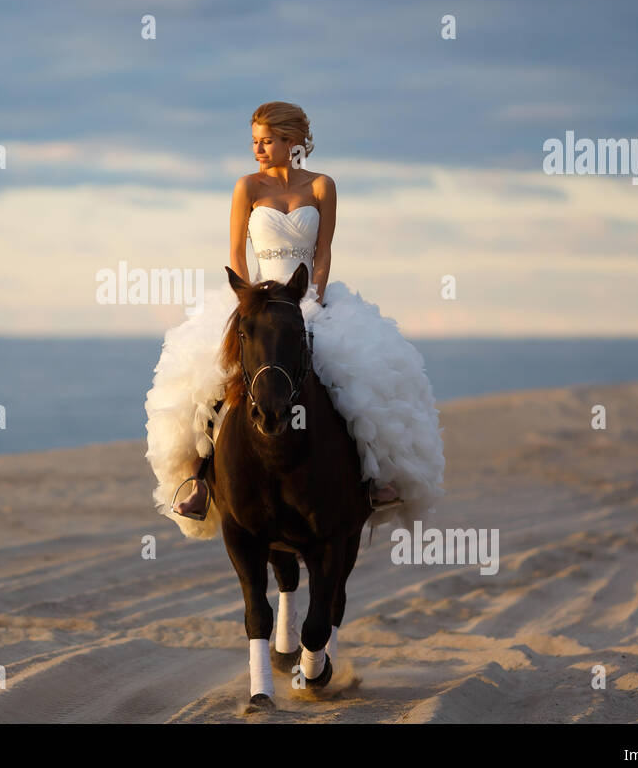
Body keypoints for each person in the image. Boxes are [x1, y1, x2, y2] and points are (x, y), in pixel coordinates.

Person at [144, 101, 445, 541]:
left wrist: (314, 301)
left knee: (357, 377)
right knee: (207, 378)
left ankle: (375, 476)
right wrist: (249, 303)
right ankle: (201, 481)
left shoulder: (322, 186)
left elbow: (322, 252)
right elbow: (234, 255)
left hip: (308, 297)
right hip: (257, 298)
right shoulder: (246, 187)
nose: (258, 150)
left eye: (267, 141)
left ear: (292, 143)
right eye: (255, 142)